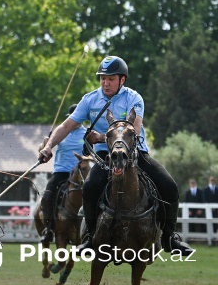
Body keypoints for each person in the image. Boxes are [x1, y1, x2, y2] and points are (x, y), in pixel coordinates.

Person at [38, 56, 193, 256]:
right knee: (90, 187)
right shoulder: (90, 100)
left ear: (122, 80)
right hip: (106, 154)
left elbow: (133, 130)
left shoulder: (134, 98)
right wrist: (49, 146)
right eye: (102, 78)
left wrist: (101, 137)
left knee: (170, 187)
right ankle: (89, 238)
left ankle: (169, 239)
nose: (105, 82)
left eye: (110, 78)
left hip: (136, 153)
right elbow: (67, 126)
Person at [38, 104, 86, 247]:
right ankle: (49, 230)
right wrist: (45, 144)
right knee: (47, 197)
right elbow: (42, 150)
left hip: (79, 174)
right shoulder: (59, 131)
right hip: (61, 172)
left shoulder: (87, 133)